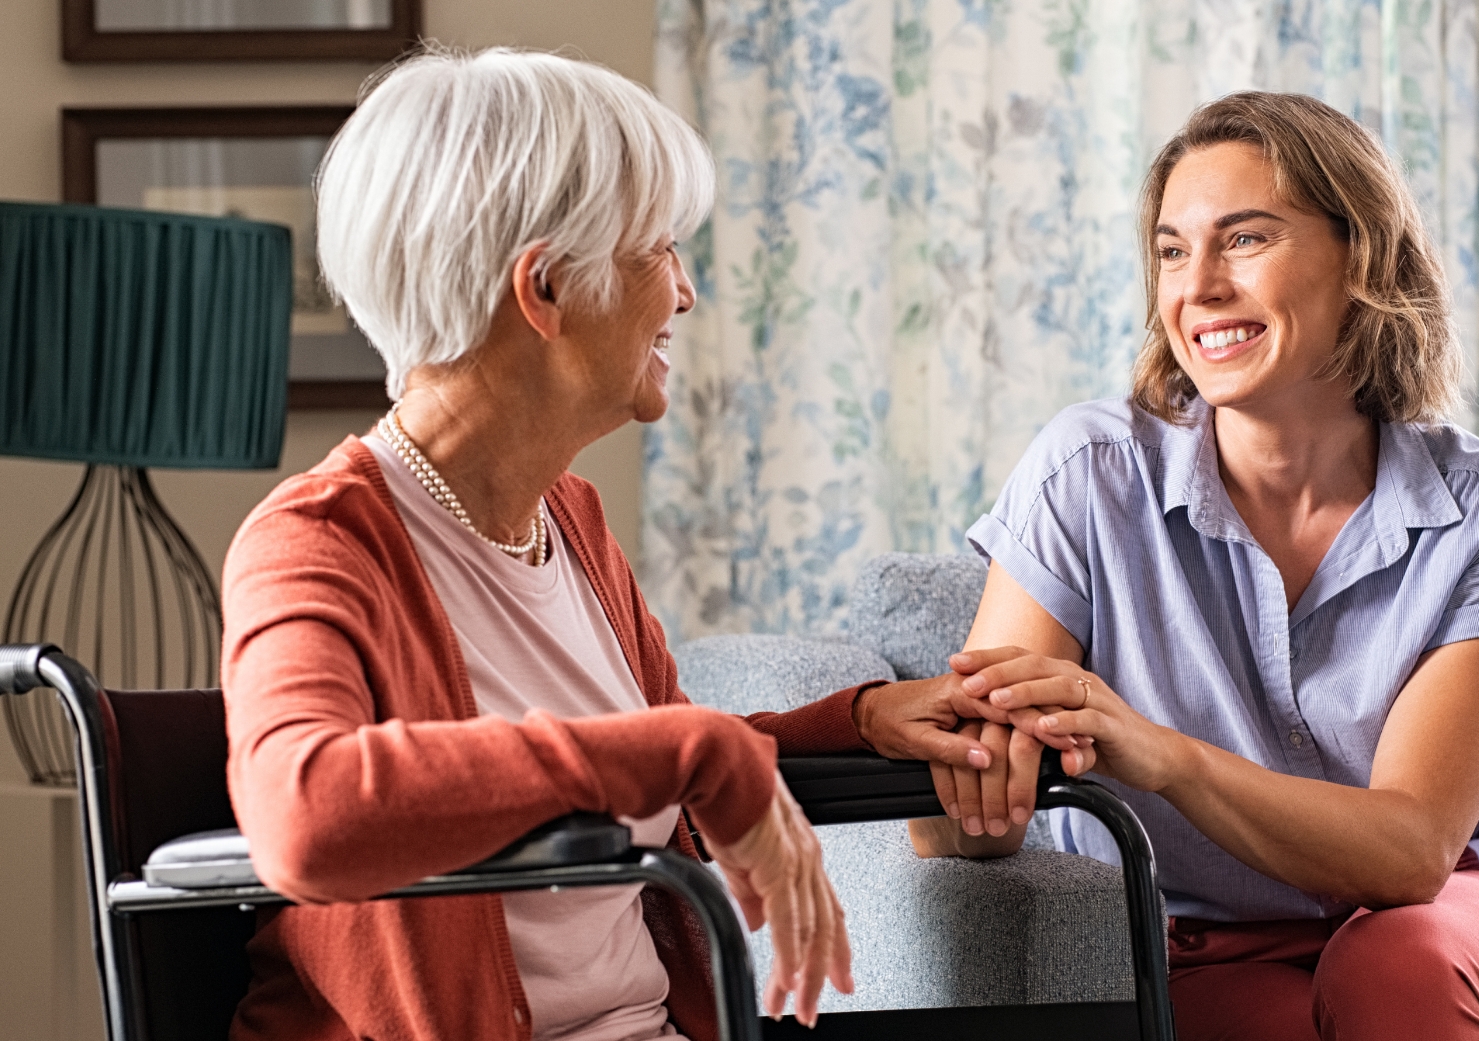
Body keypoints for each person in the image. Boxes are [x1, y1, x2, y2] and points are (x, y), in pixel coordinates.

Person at [223, 48, 997, 1041]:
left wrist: (860, 717)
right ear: (543, 288)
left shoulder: (572, 521)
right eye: (658, 251)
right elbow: (306, 818)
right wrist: (686, 745)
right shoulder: (319, 541)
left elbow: (651, 763)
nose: (684, 292)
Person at [910, 92, 1479, 1041]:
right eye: (1174, 251)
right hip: (1200, 941)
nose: (1200, 286)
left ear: (1363, 256)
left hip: (1439, 924)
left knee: (1397, 969)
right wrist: (973, 788)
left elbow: (1412, 850)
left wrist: (1165, 755)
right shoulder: (1088, 476)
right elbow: (958, 810)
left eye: (1247, 239)